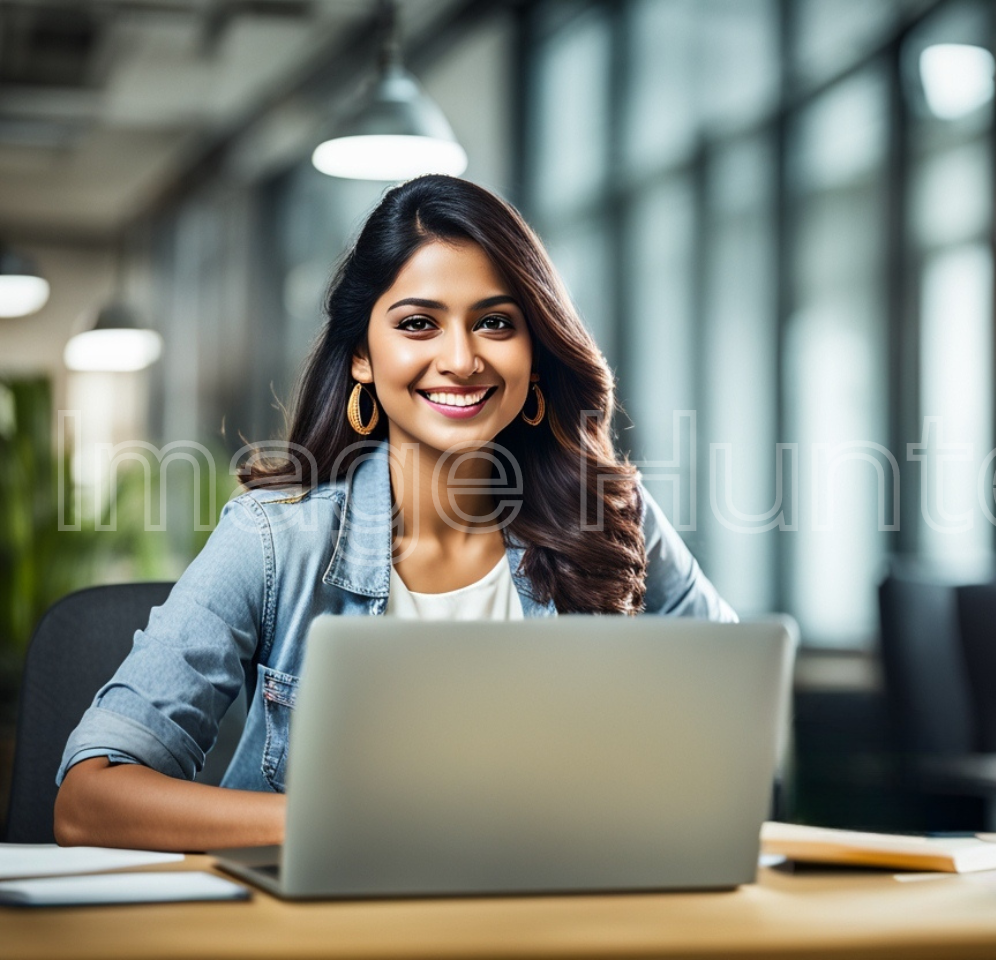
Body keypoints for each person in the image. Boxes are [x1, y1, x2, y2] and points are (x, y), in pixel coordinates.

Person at [54, 175, 736, 852]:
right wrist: (352, 825)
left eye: (496, 322)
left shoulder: (609, 519)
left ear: (535, 352)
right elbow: (89, 802)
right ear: (361, 356)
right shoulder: (275, 541)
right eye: (418, 324)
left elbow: (732, 710)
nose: (462, 359)